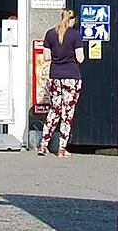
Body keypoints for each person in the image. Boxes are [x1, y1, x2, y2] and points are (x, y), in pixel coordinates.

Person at [36, 9, 86, 157]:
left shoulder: (50, 34)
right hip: (71, 76)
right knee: (67, 112)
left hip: (55, 76)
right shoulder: (75, 35)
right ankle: (62, 148)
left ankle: (43, 145)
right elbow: (81, 58)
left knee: (54, 109)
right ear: (73, 20)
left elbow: (46, 57)